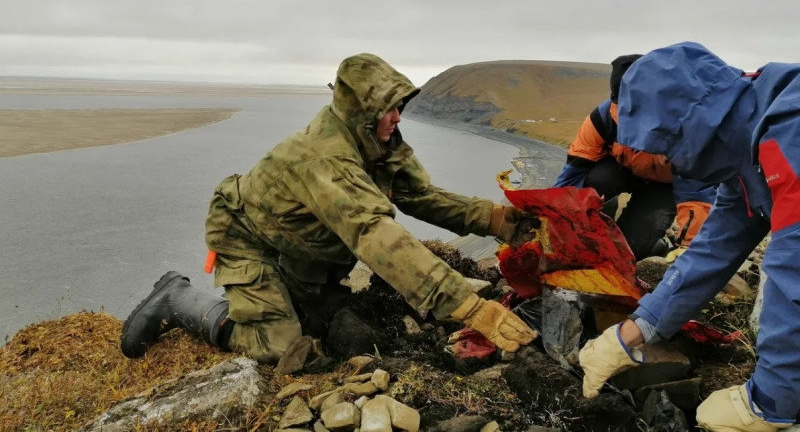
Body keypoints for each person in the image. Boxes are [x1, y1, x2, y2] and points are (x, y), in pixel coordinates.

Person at [121, 53, 538, 364]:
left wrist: (499, 220)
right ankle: (178, 299)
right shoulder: (327, 159)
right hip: (249, 240)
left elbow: (422, 197)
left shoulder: (378, 145)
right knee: (280, 345)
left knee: (324, 323)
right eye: (387, 108)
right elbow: (374, 235)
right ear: (362, 113)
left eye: (400, 106)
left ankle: (285, 293)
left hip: (298, 247)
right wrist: (468, 306)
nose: (397, 116)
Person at [578, 42, 800, 431]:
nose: (672, 168)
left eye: (667, 151)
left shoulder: (789, 132)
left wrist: (767, 404)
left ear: (690, 130)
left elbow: (794, 270)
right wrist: (632, 332)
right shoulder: (742, 149)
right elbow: (712, 251)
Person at [554, 54, 717, 260]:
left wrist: (689, 245)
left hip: (666, 186)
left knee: (626, 254)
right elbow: (574, 171)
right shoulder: (602, 118)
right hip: (621, 171)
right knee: (595, 181)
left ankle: (656, 245)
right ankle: (603, 211)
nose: (629, 113)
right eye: (624, 105)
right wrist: (550, 216)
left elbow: (696, 193)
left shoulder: (685, 127)